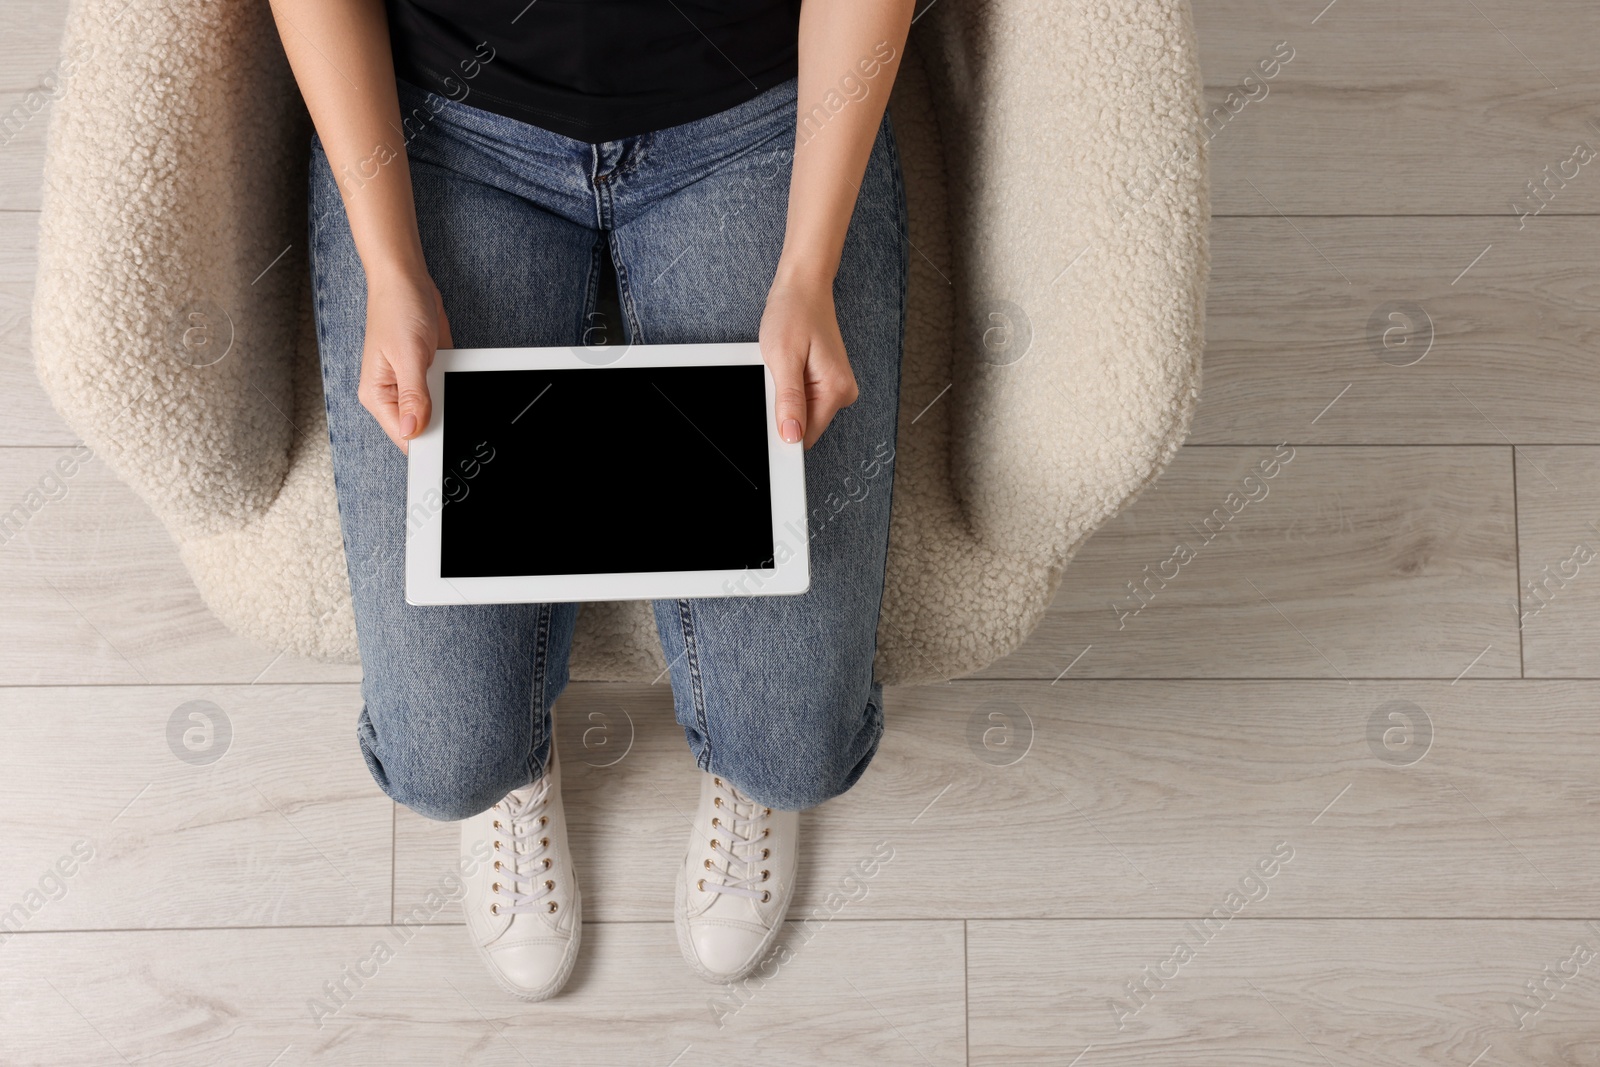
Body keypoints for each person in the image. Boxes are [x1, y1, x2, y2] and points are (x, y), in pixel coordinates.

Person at [267, 0, 914, 1000]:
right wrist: (390, 265)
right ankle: (514, 761)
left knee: (794, 753)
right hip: (444, 118)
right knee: (447, 762)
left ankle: (742, 763)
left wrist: (806, 265)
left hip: (759, 111)